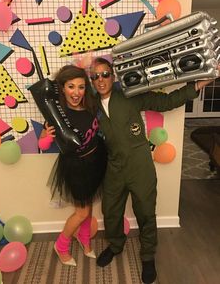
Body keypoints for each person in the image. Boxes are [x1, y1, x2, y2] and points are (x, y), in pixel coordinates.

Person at [90, 57, 220, 284]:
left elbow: (167, 101)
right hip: (114, 166)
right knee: (110, 210)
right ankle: (116, 245)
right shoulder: (90, 104)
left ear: (112, 75)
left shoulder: (129, 95)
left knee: (145, 210)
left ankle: (148, 256)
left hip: (140, 164)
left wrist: (200, 83)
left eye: (104, 74)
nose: (100, 80)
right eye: (95, 76)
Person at [39, 65, 107, 266]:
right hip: (76, 167)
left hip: (96, 161)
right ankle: (60, 246)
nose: (76, 92)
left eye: (81, 87)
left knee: (90, 206)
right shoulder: (58, 116)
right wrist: (45, 136)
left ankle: (84, 239)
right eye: (71, 87)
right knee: (82, 212)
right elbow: (42, 144)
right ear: (62, 88)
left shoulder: (90, 106)